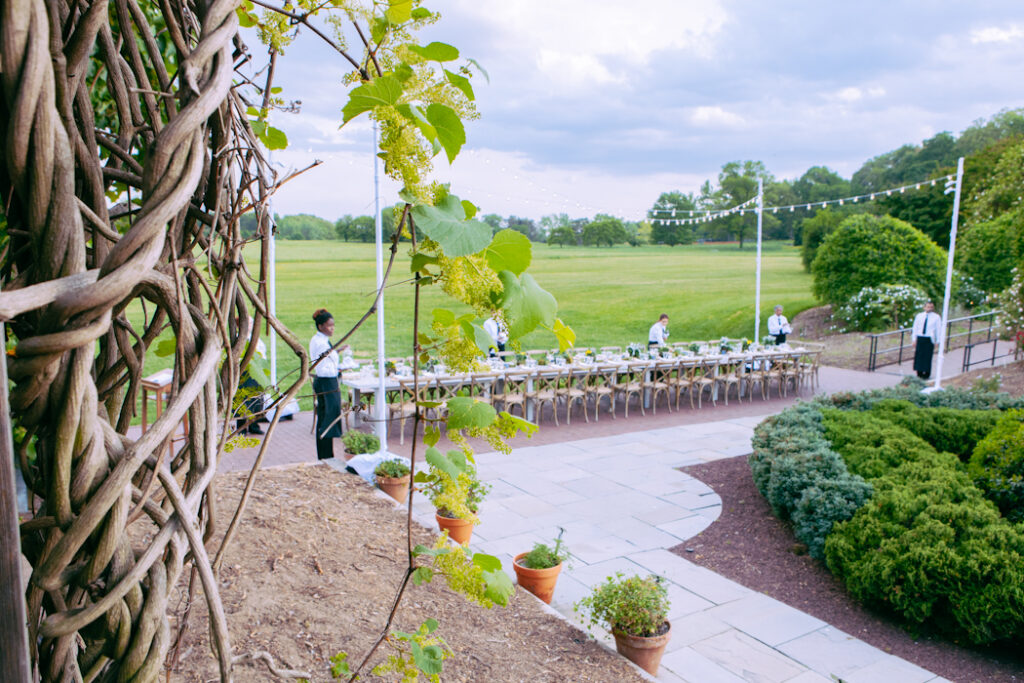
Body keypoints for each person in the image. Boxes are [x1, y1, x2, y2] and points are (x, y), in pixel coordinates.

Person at [310, 309, 344, 459]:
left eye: (333, 326)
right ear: (320, 326)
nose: (332, 329)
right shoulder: (320, 343)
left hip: (327, 380)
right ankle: (325, 455)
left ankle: (326, 454)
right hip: (327, 382)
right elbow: (323, 367)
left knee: (327, 417)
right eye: (329, 326)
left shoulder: (323, 341)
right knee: (328, 419)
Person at [912, 301, 941, 379]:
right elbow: (915, 327)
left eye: (931, 307)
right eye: (928, 307)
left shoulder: (936, 317)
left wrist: (938, 340)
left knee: (927, 356)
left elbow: (938, 329)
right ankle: (919, 372)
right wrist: (914, 339)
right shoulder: (919, 316)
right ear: (924, 307)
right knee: (919, 356)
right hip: (920, 337)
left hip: (929, 338)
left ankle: (926, 373)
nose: (929, 308)